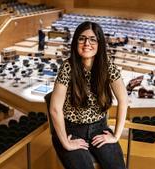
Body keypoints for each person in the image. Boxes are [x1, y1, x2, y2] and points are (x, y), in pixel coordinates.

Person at [49, 21, 128, 169]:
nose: (87, 43)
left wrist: (116, 136)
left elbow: (124, 99)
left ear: (99, 43)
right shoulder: (68, 67)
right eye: (82, 38)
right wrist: (66, 142)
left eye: (92, 39)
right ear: (76, 42)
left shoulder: (107, 66)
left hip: (99, 129)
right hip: (71, 131)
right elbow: (54, 108)